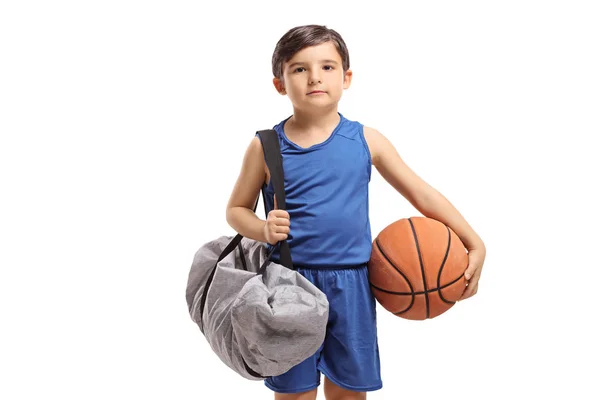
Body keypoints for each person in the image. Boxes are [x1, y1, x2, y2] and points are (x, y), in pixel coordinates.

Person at [225, 24, 486, 400]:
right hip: (289, 285)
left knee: (349, 393)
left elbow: (421, 194)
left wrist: (473, 241)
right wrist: (263, 229)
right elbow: (235, 210)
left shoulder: (367, 140)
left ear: (346, 77)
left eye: (327, 67)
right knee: (294, 394)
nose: (315, 77)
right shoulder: (264, 146)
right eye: (299, 69)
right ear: (279, 84)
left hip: (353, 285)